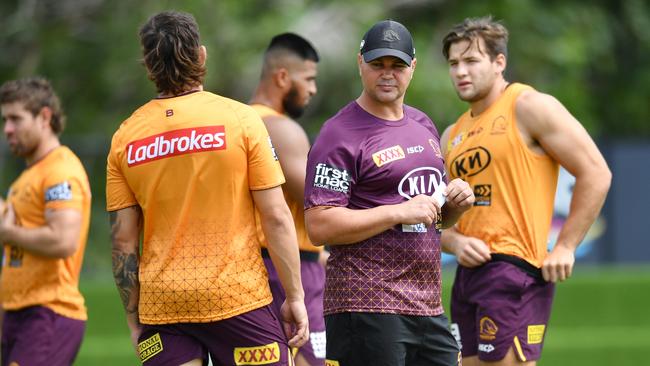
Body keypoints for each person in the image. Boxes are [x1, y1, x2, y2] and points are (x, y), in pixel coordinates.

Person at [106, 11, 308, 366]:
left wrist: (133, 318)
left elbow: (123, 240)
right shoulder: (241, 120)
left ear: (149, 66)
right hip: (237, 298)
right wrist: (295, 297)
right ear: (201, 55)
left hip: (163, 307)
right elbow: (276, 216)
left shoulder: (125, 137)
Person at [440, 16, 612, 365]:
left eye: (471, 61)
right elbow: (439, 219)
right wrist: (455, 242)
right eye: (454, 63)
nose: (460, 71)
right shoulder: (450, 135)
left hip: (515, 270)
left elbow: (596, 172)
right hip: (467, 275)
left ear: (498, 62)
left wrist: (565, 245)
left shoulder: (529, 106)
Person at [304, 20, 474, 366]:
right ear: (360, 63)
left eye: (396, 66)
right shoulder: (338, 133)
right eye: (377, 64)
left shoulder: (422, 124)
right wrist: (397, 211)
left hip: (427, 306)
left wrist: (456, 205)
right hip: (365, 307)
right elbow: (319, 225)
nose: (387, 74)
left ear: (412, 67)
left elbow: (433, 218)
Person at [0, 77, 91, 365]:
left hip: (48, 312)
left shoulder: (60, 170)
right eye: (5, 120)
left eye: (15, 119)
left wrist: (8, 233)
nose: (7, 129)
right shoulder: (29, 176)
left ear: (44, 117)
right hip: (17, 312)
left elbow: (63, 240)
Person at [249, 33, 327, 366]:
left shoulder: (238, 121)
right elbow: (322, 199)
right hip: (288, 267)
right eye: (308, 79)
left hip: (256, 265)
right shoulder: (279, 128)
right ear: (283, 77)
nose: (312, 89)